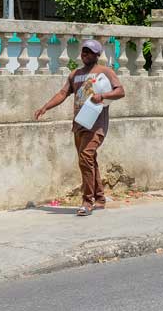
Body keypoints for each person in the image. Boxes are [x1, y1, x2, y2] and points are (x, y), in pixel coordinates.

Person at [34, 39, 125, 216]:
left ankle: (87, 201)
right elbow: (63, 93)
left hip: (96, 123)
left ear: (97, 55)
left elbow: (120, 91)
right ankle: (99, 198)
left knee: (85, 157)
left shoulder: (105, 71)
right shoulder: (75, 74)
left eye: (89, 52)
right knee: (89, 160)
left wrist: (103, 95)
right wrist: (45, 107)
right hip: (79, 123)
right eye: (83, 51)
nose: (85, 54)